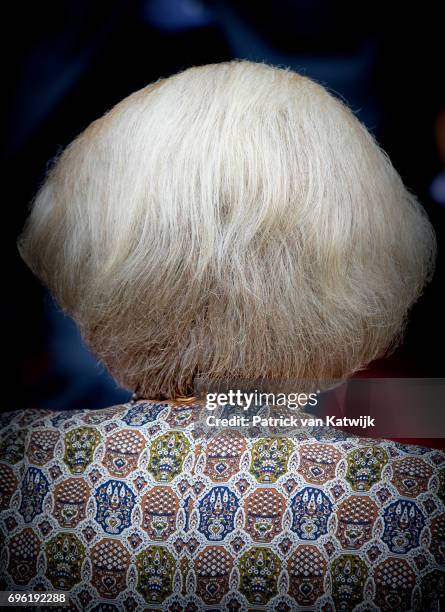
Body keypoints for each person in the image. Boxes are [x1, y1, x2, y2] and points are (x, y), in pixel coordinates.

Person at [2, 60, 443, 610]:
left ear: (84, 257)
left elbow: (27, 600)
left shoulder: (22, 472)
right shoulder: (422, 502)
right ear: (370, 268)